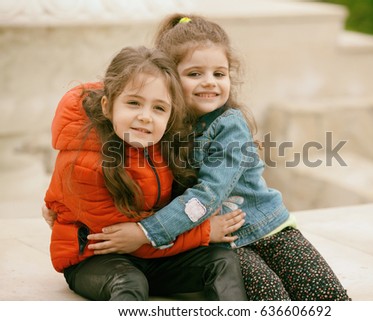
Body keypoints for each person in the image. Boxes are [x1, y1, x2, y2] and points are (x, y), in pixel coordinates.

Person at [78, 14, 351, 301]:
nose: (210, 83)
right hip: (221, 243)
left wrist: (145, 233)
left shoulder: (229, 125)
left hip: (268, 229)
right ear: (169, 77)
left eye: (219, 74)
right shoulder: (158, 122)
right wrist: (61, 206)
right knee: (271, 297)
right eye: (195, 74)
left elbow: (207, 196)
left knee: (327, 296)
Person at [44, 45, 248, 301]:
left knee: (221, 260)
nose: (145, 117)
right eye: (133, 103)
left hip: (150, 250)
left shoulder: (160, 143)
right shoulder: (84, 165)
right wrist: (204, 232)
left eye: (159, 108)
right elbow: (125, 237)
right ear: (107, 106)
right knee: (130, 282)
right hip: (96, 259)